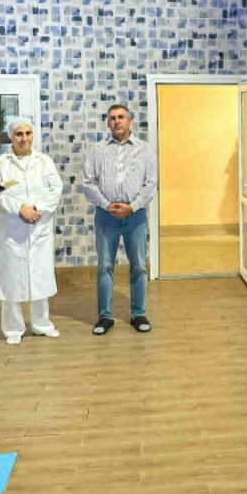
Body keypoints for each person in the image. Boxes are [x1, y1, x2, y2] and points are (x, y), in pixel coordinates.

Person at [0, 117, 63, 345]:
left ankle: (42, 324)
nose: (24, 139)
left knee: (40, 275)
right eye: (19, 134)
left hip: (39, 227)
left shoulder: (44, 161)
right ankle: (13, 328)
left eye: (28, 133)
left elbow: (55, 189)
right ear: (11, 137)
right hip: (12, 229)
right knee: (11, 277)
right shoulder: (0, 163)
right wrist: (20, 209)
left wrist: (37, 209)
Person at [83, 104, 157, 335]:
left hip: (135, 216)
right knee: (105, 266)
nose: (117, 121)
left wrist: (132, 207)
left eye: (121, 117)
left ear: (130, 121)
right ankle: (105, 316)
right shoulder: (97, 150)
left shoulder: (145, 150)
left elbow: (151, 183)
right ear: (108, 123)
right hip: (106, 216)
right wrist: (107, 205)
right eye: (112, 118)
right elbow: (87, 183)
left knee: (138, 267)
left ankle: (138, 313)